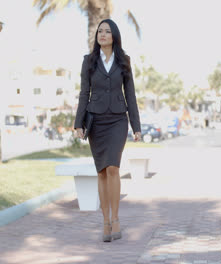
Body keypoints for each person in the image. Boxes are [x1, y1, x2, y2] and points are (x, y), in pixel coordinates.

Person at [74, 19, 141, 242]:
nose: (102, 34)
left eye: (107, 31)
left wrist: (136, 126)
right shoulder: (89, 61)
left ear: (114, 36)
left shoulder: (124, 61)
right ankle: (105, 221)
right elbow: (84, 93)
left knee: (113, 167)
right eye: (99, 31)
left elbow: (130, 94)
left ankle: (116, 220)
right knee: (101, 171)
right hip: (96, 121)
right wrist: (78, 123)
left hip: (117, 121)